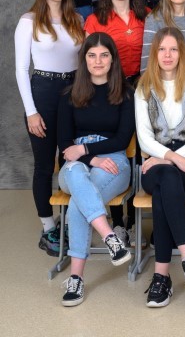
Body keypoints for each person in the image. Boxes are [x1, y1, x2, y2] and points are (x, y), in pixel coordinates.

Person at [56, 32, 135, 306]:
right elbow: (65, 143)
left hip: (114, 161)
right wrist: (89, 159)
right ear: (84, 59)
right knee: (76, 173)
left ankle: (76, 278)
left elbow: (122, 139)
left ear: (113, 59)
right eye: (92, 55)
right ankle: (110, 236)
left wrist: (86, 151)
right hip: (75, 164)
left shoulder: (126, 93)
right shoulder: (69, 94)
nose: (98, 61)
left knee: (79, 202)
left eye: (104, 55)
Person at [135, 27, 185, 307]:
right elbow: (144, 139)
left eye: (173, 49)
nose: (167, 55)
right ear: (154, 53)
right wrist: (172, 158)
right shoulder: (144, 88)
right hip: (158, 163)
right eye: (162, 49)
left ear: (182, 53)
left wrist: (170, 158)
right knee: (166, 177)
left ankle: (161, 278)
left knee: (162, 191)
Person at [15, 0, 85, 256]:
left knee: (71, 161)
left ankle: (70, 221)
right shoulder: (29, 21)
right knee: (45, 165)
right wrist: (31, 111)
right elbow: (21, 69)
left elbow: (82, 63)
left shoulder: (76, 19)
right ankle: (48, 228)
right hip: (42, 92)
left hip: (72, 93)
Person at [84, 0, 148, 83]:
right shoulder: (94, 21)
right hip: (110, 84)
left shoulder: (147, 15)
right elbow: (89, 60)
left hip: (143, 83)